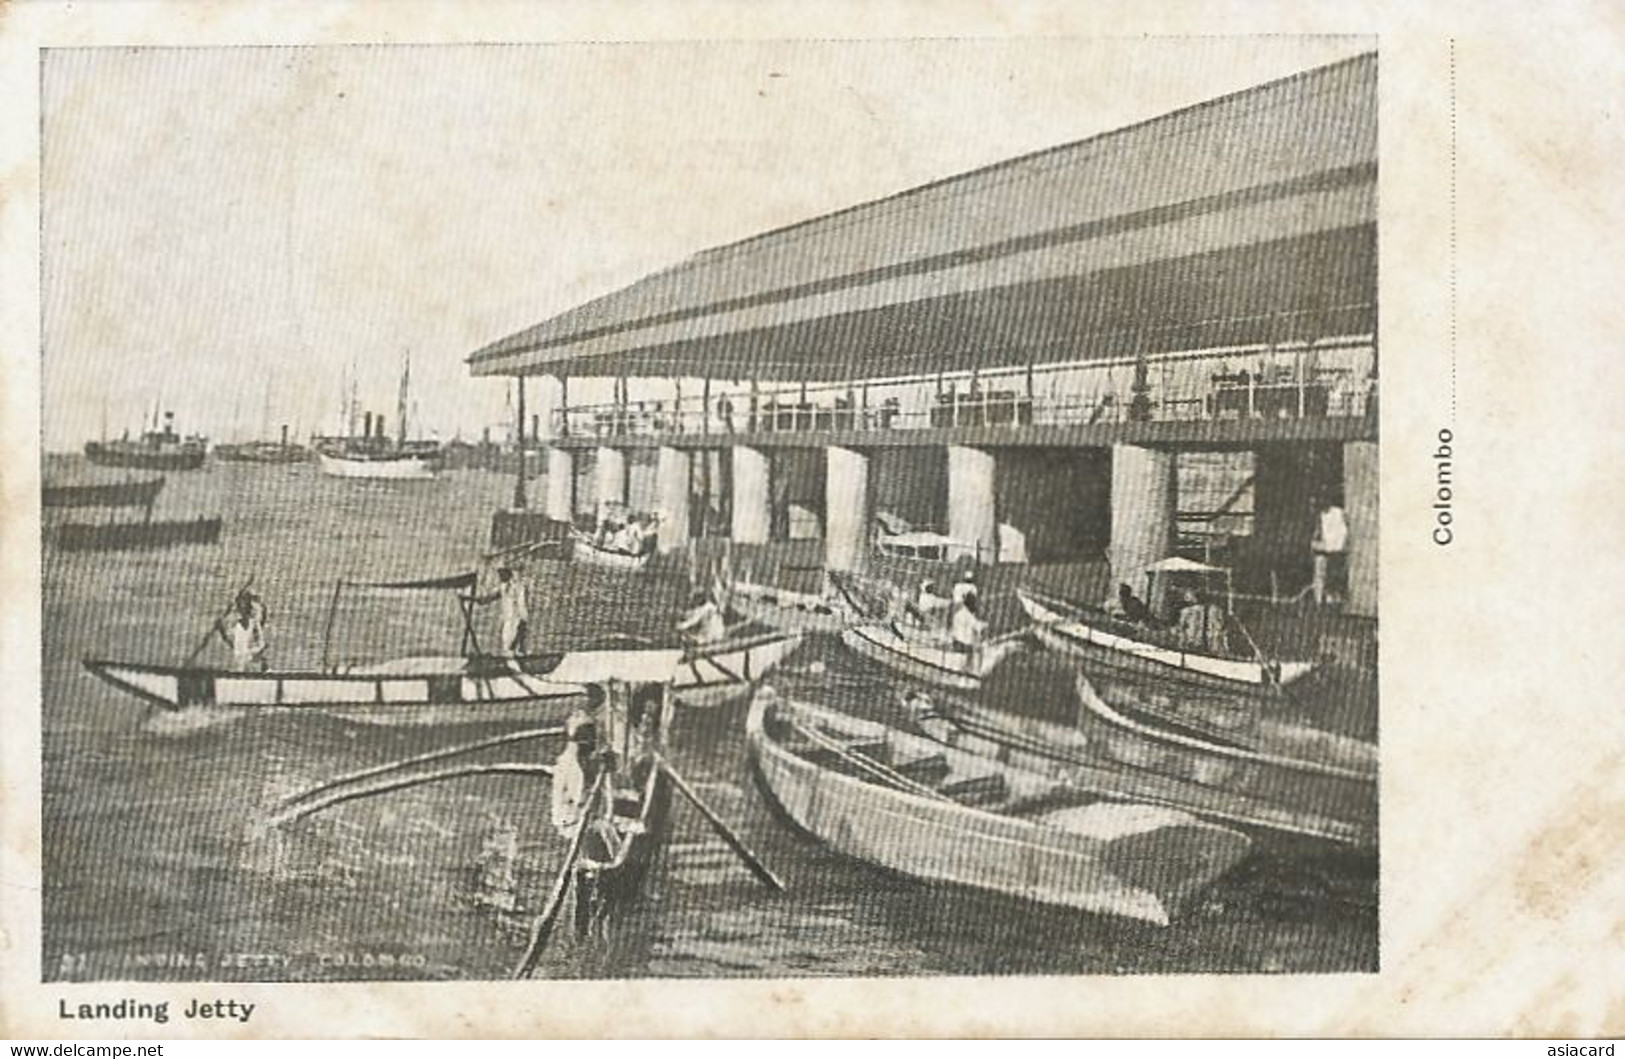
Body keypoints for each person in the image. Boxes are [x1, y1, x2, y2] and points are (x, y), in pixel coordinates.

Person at [477, 567, 530, 657]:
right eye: (499, 574)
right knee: (506, 643)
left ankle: (519, 657)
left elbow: (522, 605)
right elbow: (492, 597)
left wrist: (523, 620)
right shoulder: (503, 587)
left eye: (502, 574)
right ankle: (510, 657)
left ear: (508, 574)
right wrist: (480, 599)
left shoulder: (519, 587)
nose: (500, 576)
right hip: (507, 620)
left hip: (516, 618)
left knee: (516, 643)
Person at [1311, 497, 1349, 604]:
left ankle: (1334, 597)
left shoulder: (1338, 513)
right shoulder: (1320, 516)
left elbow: (1344, 532)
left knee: (1335, 574)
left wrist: (1340, 546)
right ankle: (1320, 599)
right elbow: (1318, 534)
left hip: (1337, 550)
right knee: (1321, 572)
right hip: (1327, 550)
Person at [216, 593, 268, 672]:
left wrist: (251, 653)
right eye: (239, 608)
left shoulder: (254, 625)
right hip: (241, 666)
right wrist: (222, 631)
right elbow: (233, 644)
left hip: (253, 666)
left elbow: (261, 645)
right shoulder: (236, 627)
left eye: (244, 608)